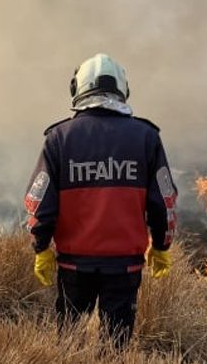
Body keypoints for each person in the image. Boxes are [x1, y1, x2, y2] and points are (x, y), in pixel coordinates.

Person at [24, 52, 177, 348]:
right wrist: (161, 246)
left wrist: (40, 247)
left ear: (77, 89)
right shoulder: (146, 137)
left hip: (73, 265)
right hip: (124, 266)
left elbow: (37, 199)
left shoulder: (59, 138)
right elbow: (165, 200)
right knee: (116, 347)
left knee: (69, 342)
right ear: (123, 89)